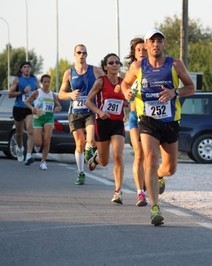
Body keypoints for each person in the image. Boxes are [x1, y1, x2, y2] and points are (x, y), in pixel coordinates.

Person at [120, 29, 195, 226]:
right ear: (146, 44)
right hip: (148, 121)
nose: (155, 44)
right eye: (152, 41)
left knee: (170, 168)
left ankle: (160, 176)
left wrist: (174, 92)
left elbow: (191, 87)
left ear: (163, 44)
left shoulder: (175, 64)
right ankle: (155, 208)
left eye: (159, 41)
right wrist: (127, 92)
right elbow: (125, 84)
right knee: (150, 159)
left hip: (170, 122)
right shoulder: (138, 66)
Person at [59, 44, 104, 185]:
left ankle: (89, 151)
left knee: (90, 140)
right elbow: (61, 94)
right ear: (74, 55)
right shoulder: (69, 73)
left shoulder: (95, 70)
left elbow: (106, 84)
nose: (81, 55)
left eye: (84, 52)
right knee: (79, 143)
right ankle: (80, 172)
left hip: (90, 110)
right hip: (75, 112)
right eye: (79, 52)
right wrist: (70, 94)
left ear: (86, 55)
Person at [86, 53, 126, 204]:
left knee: (118, 156)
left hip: (117, 123)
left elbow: (126, 101)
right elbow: (88, 102)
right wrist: (100, 112)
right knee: (104, 161)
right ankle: (95, 158)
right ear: (105, 67)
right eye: (111, 63)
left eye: (117, 62)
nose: (115, 65)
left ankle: (118, 191)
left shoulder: (123, 83)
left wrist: (127, 103)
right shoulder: (100, 82)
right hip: (102, 124)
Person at [123, 37, 148, 207]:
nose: (141, 52)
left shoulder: (157, 69)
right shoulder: (133, 69)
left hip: (151, 117)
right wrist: (126, 93)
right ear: (134, 53)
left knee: (149, 155)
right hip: (134, 117)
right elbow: (124, 86)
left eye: (143, 49)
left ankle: (154, 178)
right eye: (138, 50)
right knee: (138, 154)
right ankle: (140, 193)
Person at [24, 74, 62, 170]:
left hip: (49, 118)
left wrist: (57, 108)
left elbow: (59, 106)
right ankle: (37, 144)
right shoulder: (37, 92)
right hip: (38, 118)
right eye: (44, 82)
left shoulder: (52, 94)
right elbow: (26, 102)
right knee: (38, 143)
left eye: (48, 82)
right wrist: (32, 108)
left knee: (47, 140)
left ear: (50, 82)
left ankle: (43, 162)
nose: (46, 83)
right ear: (41, 83)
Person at [8, 61, 38, 165]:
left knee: (30, 131)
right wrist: (22, 92)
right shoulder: (17, 79)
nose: (27, 69)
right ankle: (20, 148)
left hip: (29, 107)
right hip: (18, 107)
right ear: (21, 69)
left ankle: (29, 155)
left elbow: (37, 92)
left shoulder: (34, 79)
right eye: (24, 67)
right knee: (19, 133)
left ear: (31, 69)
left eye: (28, 67)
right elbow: (10, 94)